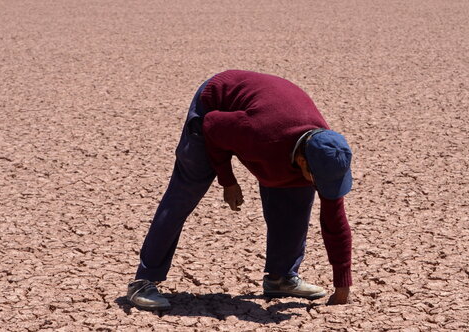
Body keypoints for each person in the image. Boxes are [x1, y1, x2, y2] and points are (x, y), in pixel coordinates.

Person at [126, 70, 353, 311]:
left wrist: (342, 286)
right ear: (303, 160)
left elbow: (335, 222)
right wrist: (227, 180)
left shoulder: (327, 153)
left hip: (267, 123)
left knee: (295, 200)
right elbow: (211, 125)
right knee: (184, 192)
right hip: (215, 105)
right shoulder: (261, 133)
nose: (320, 185)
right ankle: (143, 281)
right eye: (317, 178)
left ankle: (281, 277)